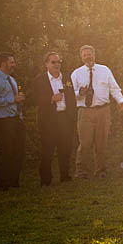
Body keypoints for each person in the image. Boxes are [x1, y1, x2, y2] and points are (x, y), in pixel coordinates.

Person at [71, 45, 123, 179]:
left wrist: (120, 101)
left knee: (101, 142)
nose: (87, 57)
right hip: (85, 111)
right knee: (84, 143)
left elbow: (114, 88)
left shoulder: (104, 70)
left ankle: (101, 171)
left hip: (103, 110)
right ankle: (81, 172)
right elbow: (70, 94)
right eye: (84, 55)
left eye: (89, 54)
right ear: (81, 57)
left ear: (94, 55)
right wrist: (79, 93)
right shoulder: (76, 73)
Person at [30, 51, 77, 186]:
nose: (57, 64)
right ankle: (45, 180)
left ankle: (65, 176)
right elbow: (34, 99)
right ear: (46, 64)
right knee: (47, 151)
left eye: (59, 62)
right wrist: (51, 99)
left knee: (66, 148)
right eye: (53, 62)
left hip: (65, 119)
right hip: (48, 121)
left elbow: (72, 98)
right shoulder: (40, 80)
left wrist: (72, 117)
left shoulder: (67, 78)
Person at [0, 51, 26, 191]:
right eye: (11, 62)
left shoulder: (11, 79)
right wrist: (13, 99)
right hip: (3, 121)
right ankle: (1, 184)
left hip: (15, 119)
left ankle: (13, 181)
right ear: (3, 64)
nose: (14, 64)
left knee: (17, 151)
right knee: (5, 152)